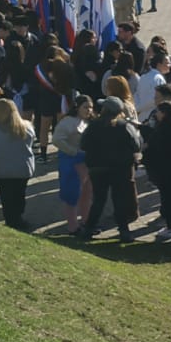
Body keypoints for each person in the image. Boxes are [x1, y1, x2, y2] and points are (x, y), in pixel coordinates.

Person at [78, 96, 142, 241]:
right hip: (120, 169)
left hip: (97, 167)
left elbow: (83, 145)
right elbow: (136, 145)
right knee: (119, 200)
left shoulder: (93, 125)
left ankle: (88, 229)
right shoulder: (124, 126)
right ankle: (124, 231)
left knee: (99, 200)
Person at [0, 97, 37, 231]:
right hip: (22, 168)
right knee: (19, 194)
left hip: (0, 170)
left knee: (6, 197)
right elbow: (30, 143)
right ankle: (18, 218)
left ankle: (11, 220)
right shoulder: (27, 127)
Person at [141, 99, 171, 240]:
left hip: (164, 166)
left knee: (166, 197)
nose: (157, 114)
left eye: (158, 112)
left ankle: (169, 227)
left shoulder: (162, 128)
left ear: (164, 112)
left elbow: (155, 146)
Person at [53, 95, 93, 234]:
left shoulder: (89, 122)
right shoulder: (67, 122)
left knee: (87, 194)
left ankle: (86, 221)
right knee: (72, 195)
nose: (89, 110)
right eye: (85, 107)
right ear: (77, 107)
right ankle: (73, 226)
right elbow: (57, 140)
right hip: (71, 163)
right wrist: (74, 152)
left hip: (86, 163)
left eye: (90, 107)